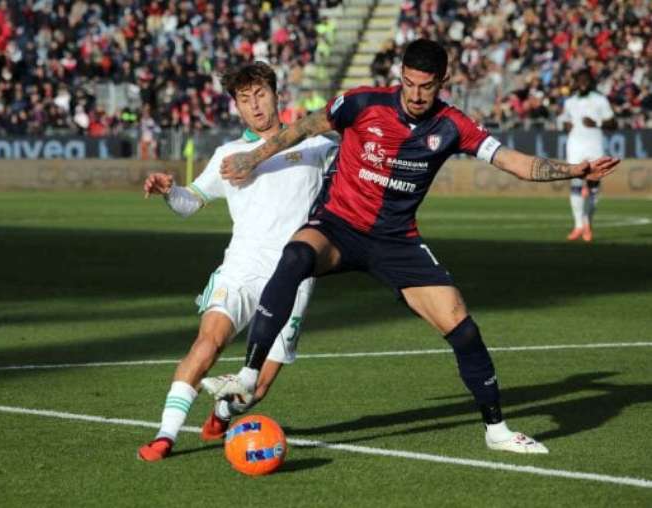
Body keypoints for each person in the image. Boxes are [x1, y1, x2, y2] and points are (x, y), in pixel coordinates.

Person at [203, 39, 620, 454]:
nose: (416, 95)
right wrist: (253, 158)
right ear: (400, 76)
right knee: (295, 256)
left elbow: (514, 162)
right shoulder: (361, 102)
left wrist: (576, 170)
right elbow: (302, 127)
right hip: (338, 226)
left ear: (443, 81)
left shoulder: (454, 125)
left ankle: (497, 430)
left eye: (426, 86)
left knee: (463, 326)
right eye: (409, 83)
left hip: (395, 241)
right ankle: (247, 374)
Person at [137, 62, 337, 461]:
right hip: (240, 270)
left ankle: (223, 412)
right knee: (207, 344)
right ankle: (165, 435)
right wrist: (169, 190)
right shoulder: (228, 154)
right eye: (245, 100)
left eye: (260, 94)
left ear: (277, 95)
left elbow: (360, 145)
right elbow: (189, 204)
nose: (255, 106)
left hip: (294, 277)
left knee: (257, 389)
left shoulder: (316, 147)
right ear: (237, 108)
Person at [561, 69, 616, 242]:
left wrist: (597, 122)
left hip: (595, 147)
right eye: (580, 79)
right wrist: (565, 124)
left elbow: (613, 123)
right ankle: (578, 225)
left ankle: (587, 224)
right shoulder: (569, 102)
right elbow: (564, 120)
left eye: (586, 79)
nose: (583, 82)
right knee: (576, 185)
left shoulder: (600, 100)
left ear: (590, 82)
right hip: (575, 147)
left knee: (593, 186)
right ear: (576, 82)